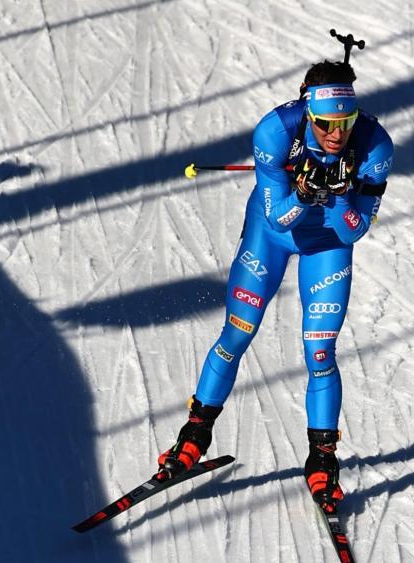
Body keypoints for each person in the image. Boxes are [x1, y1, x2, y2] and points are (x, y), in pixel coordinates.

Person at [158, 60, 394, 509]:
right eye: (326, 124)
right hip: (272, 236)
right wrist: (304, 194)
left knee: (320, 351)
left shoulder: (375, 145)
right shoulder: (274, 133)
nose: (336, 134)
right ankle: (193, 435)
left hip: (327, 245)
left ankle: (323, 460)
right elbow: (275, 216)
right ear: (309, 113)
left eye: (344, 123)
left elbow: (353, 232)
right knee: (238, 332)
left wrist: (342, 195)